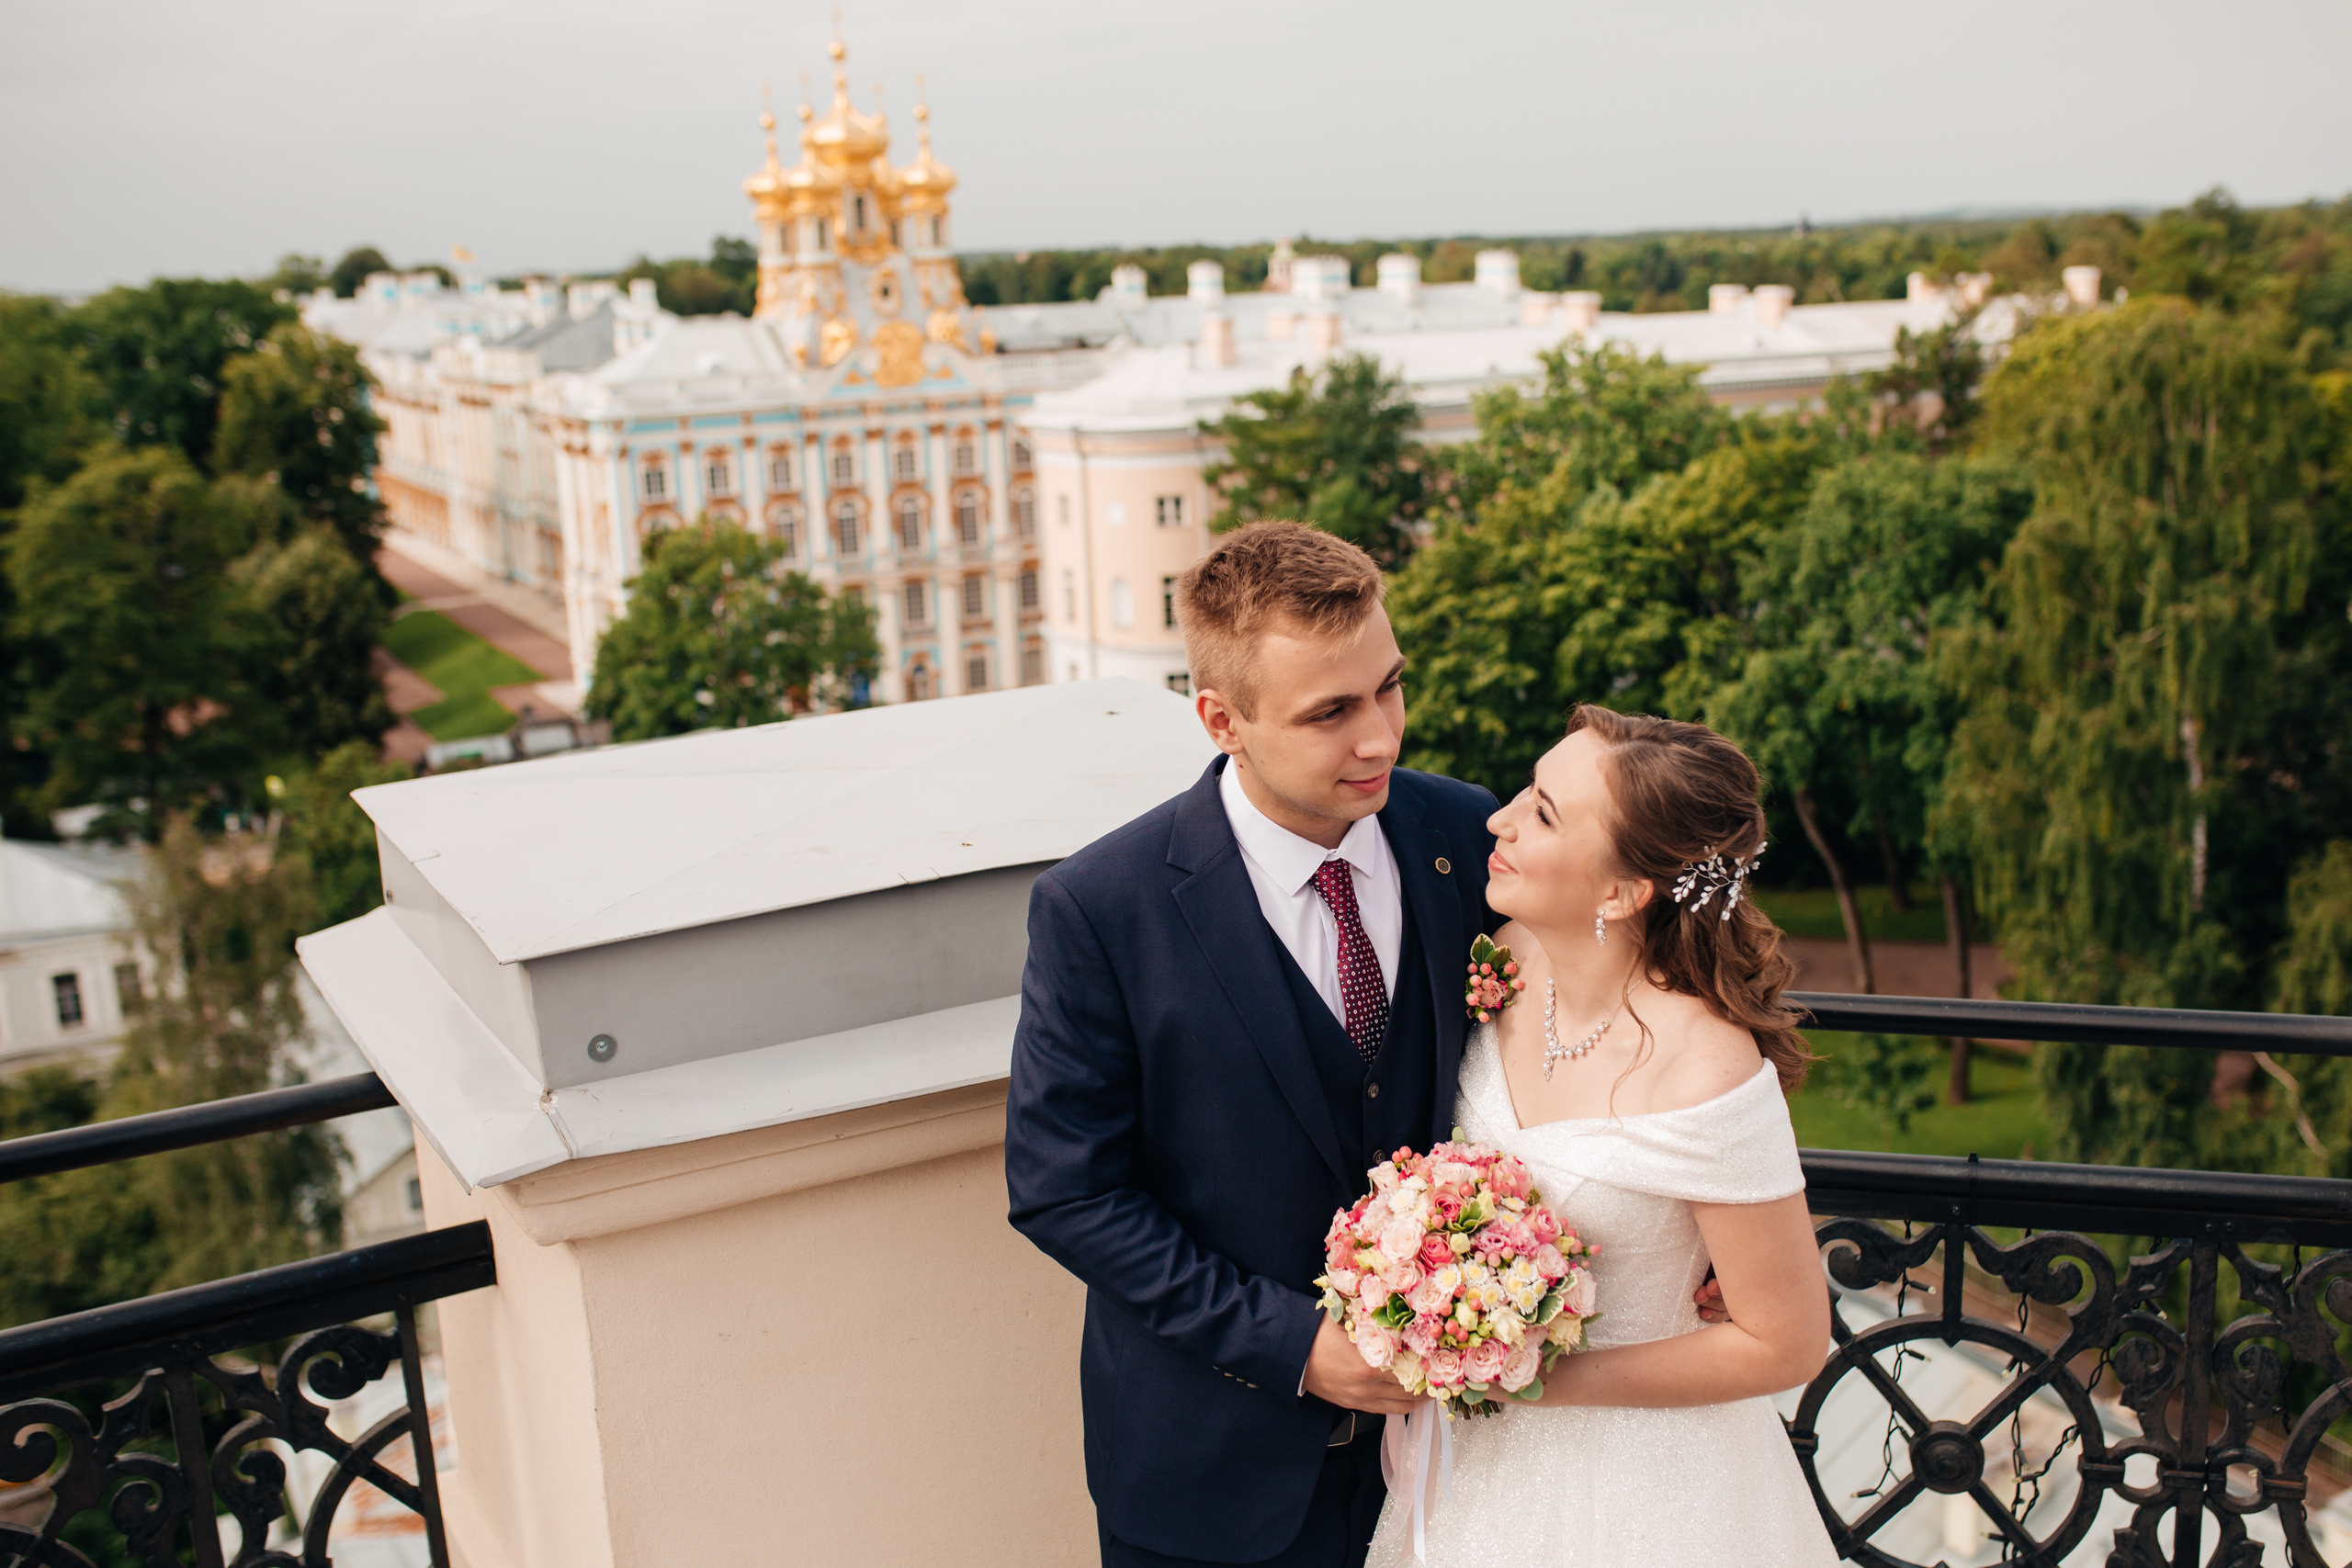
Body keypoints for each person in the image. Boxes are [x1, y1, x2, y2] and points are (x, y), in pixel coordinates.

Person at [1005, 523, 1501, 1567]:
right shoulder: (1103, 908)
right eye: (1330, 713)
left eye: (1389, 688)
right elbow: (1065, 1191)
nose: (1380, 739)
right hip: (1208, 1482)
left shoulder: (1470, 838)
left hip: (1474, 1469)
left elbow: (1586, 1047)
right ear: (1220, 719)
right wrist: (1294, 1348)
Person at [1362, 705, 1836, 1567]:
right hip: (1474, 1468)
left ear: (1621, 892)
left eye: (1543, 812)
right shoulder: (1506, 961)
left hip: (1646, 1485)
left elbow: (1790, 1338)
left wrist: (1526, 1375)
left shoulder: (1707, 1067)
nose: (1497, 820)